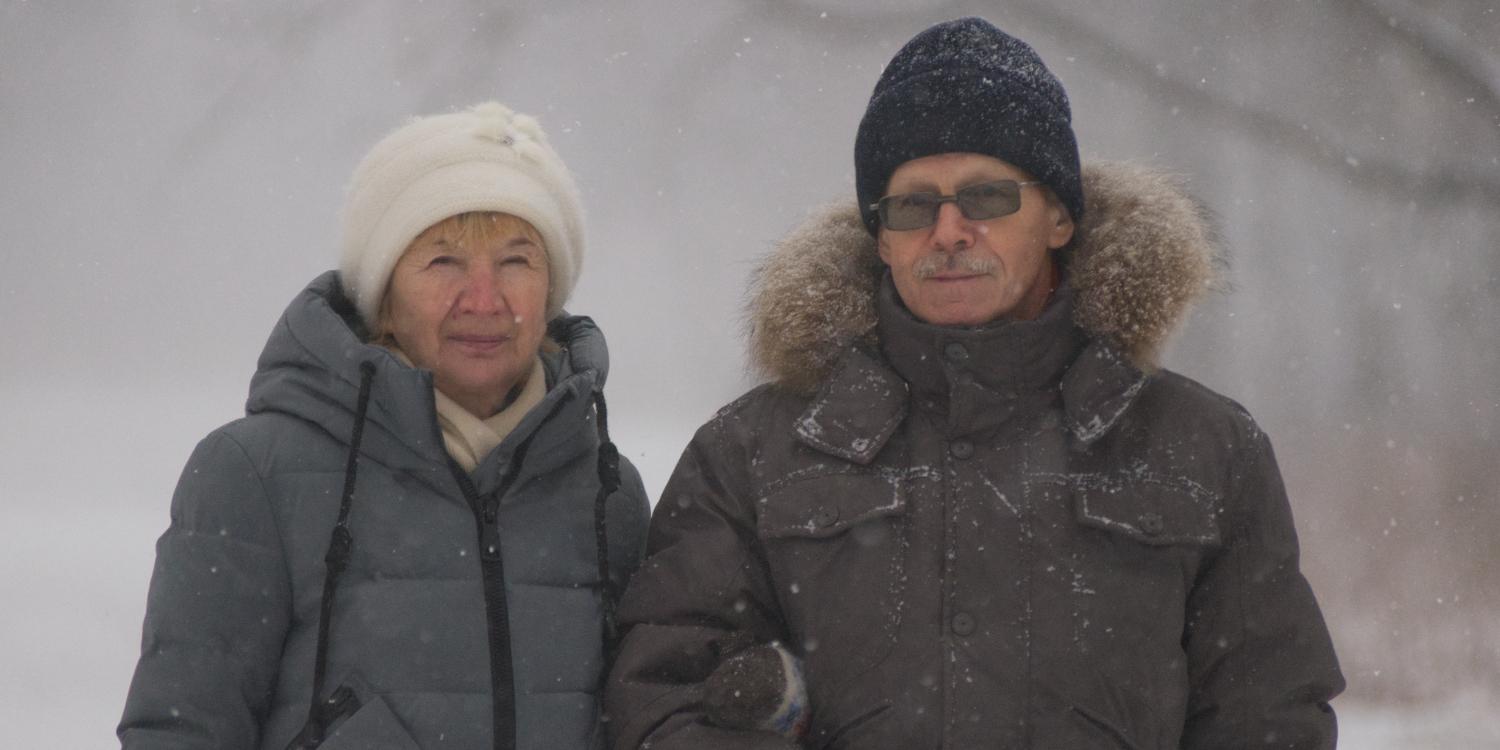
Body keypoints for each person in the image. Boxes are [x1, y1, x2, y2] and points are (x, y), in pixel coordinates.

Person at [605, 17, 1343, 750]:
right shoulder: (751, 453)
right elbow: (668, 697)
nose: (950, 231)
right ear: (881, 235)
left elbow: (1270, 715)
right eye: (913, 205)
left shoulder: (1205, 448)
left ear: (1059, 217)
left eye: (988, 197)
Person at [118, 101, 650, 749]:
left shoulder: (607, 492)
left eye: (516, 261)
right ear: (383, 301)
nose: (484, 300)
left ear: (550, 294)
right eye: (443, 262)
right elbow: (180, 731)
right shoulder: (255, 475)